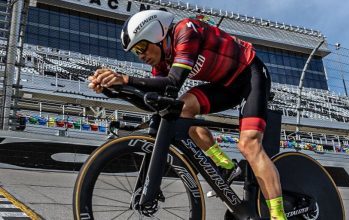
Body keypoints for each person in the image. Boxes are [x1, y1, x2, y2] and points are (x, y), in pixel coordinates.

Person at [88, 10, 287, 219]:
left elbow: (173, 82)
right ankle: (225, 165)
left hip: (249, 74)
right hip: (223, 85)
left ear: (156, 34)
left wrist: (125, 80)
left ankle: (278, 215)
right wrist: (115, 91)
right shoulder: (161, 64)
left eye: (141, 47)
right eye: (136, 52)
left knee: (249, 145)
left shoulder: (185, 31)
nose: (140, 55)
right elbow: (154, 101)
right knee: (180, 109)